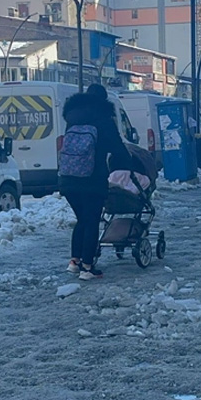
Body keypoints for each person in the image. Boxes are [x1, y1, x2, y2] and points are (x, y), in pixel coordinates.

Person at [60, 84, 130, 280]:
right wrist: (128, 163)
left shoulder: (71, 118)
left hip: (67, 178)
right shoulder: (103, 119)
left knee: (81, 219)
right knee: (91, 221)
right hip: (92, 178)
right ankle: (88, 267)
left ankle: (74, 261)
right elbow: (117, 147)